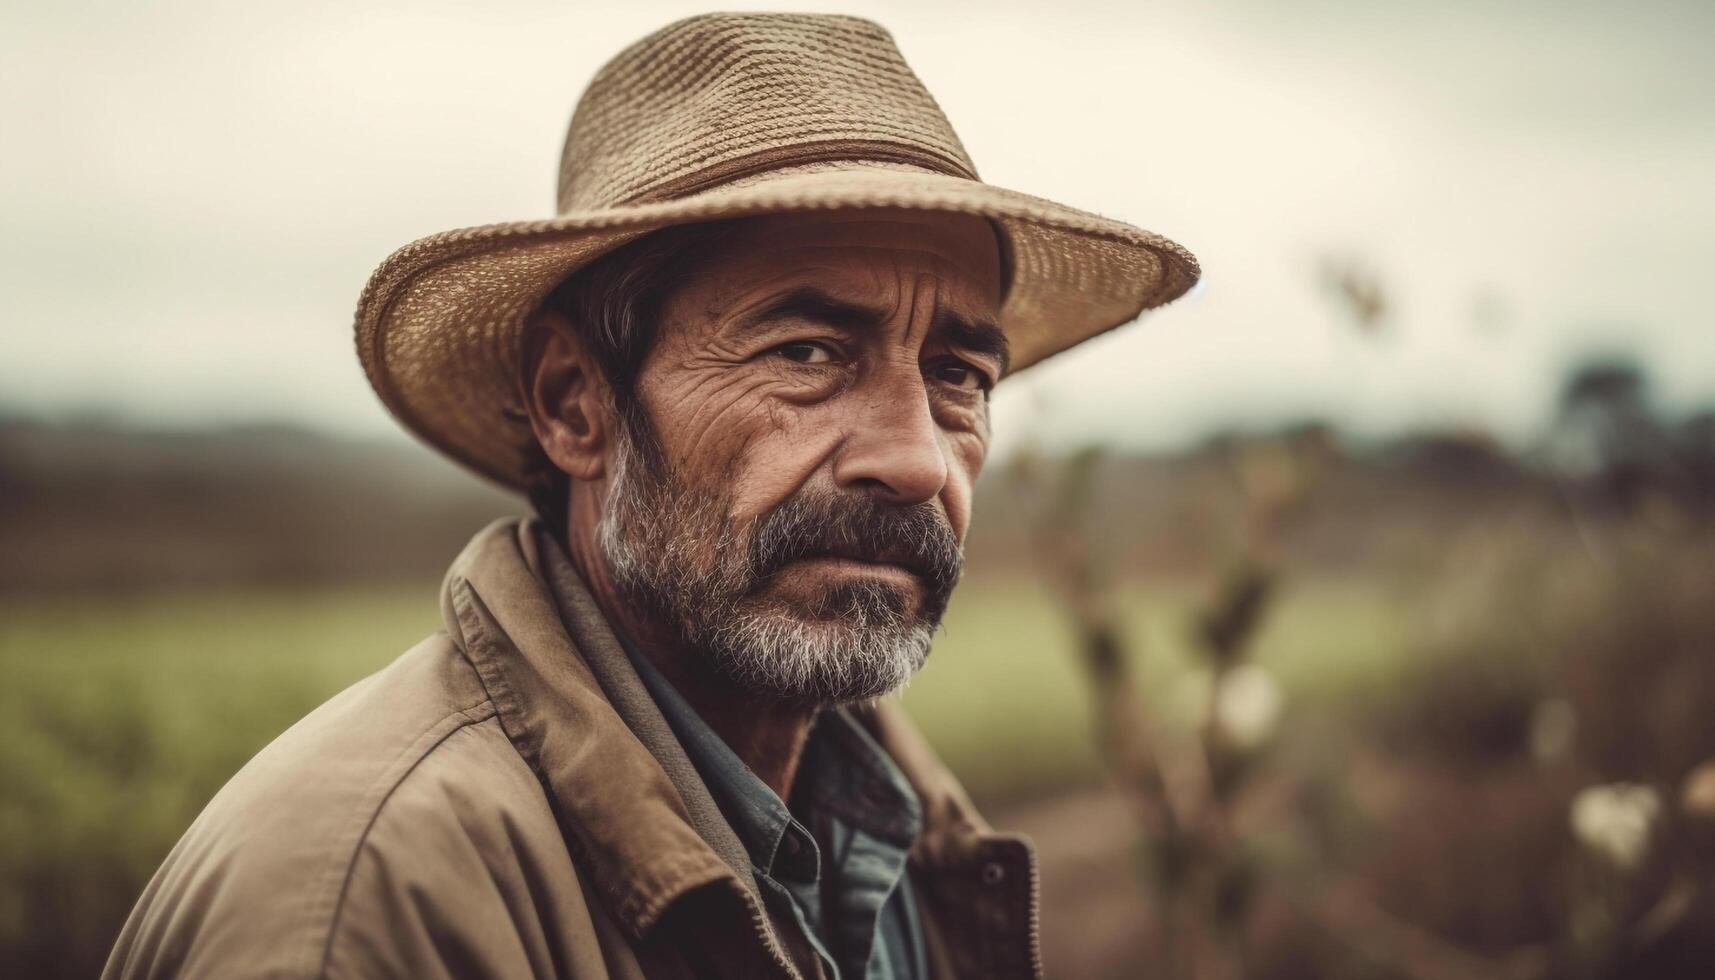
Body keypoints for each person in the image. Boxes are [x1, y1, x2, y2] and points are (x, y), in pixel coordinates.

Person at [103, 12, 1197, 980]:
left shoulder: (892, 831)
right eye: (808, 351)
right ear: (574, 403)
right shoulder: (365, 902)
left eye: (958, 374)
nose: (914, 460)